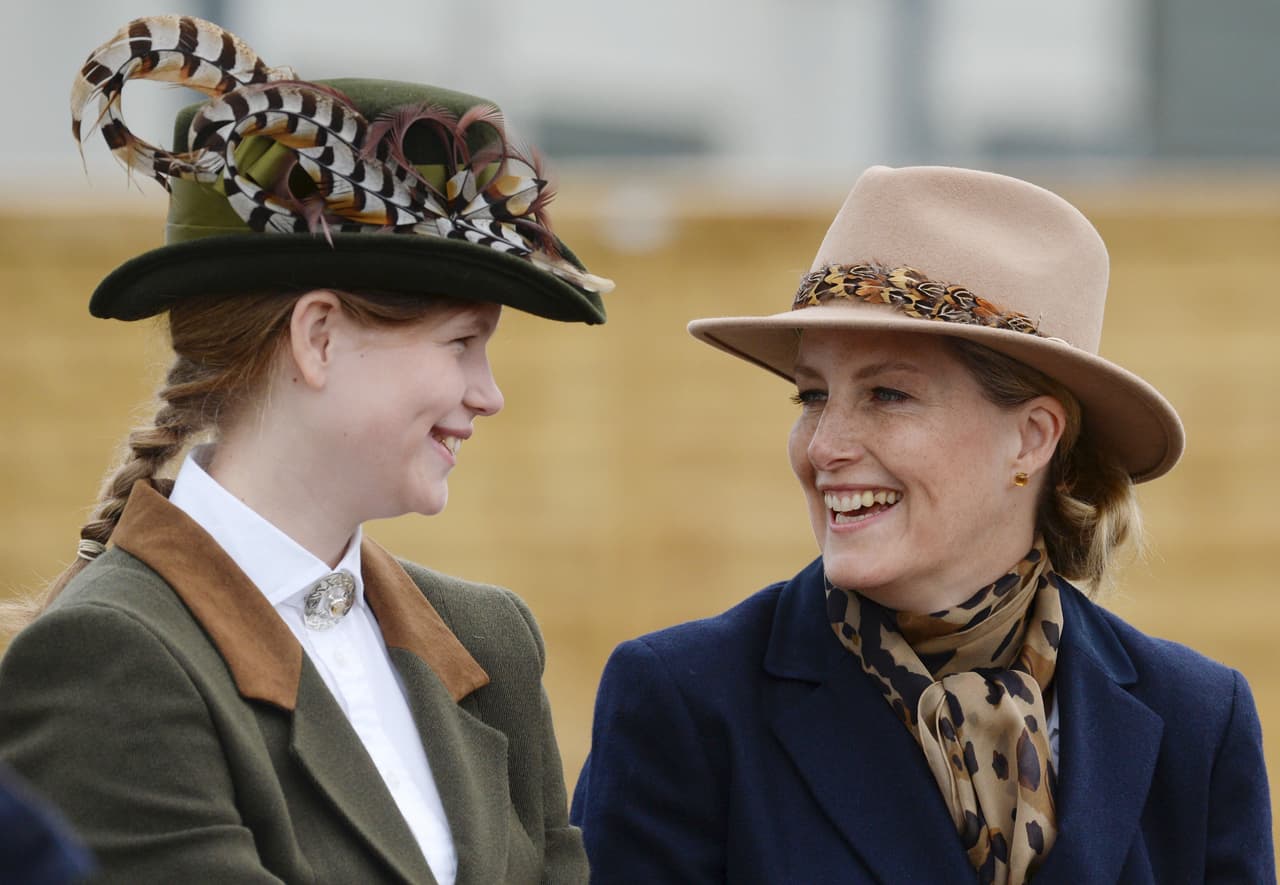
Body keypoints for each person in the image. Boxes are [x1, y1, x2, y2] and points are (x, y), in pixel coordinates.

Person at [0, 15, 612, 884]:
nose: (489, 393)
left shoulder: (489, 639)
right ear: (318, 336)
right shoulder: (115, 658)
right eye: (460, 344)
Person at [570, 165, 1273, 882]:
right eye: (812, 396)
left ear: (1031, 438)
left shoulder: (1195, 721)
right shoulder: (687, 704)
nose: (824, 446)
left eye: (887, 394)